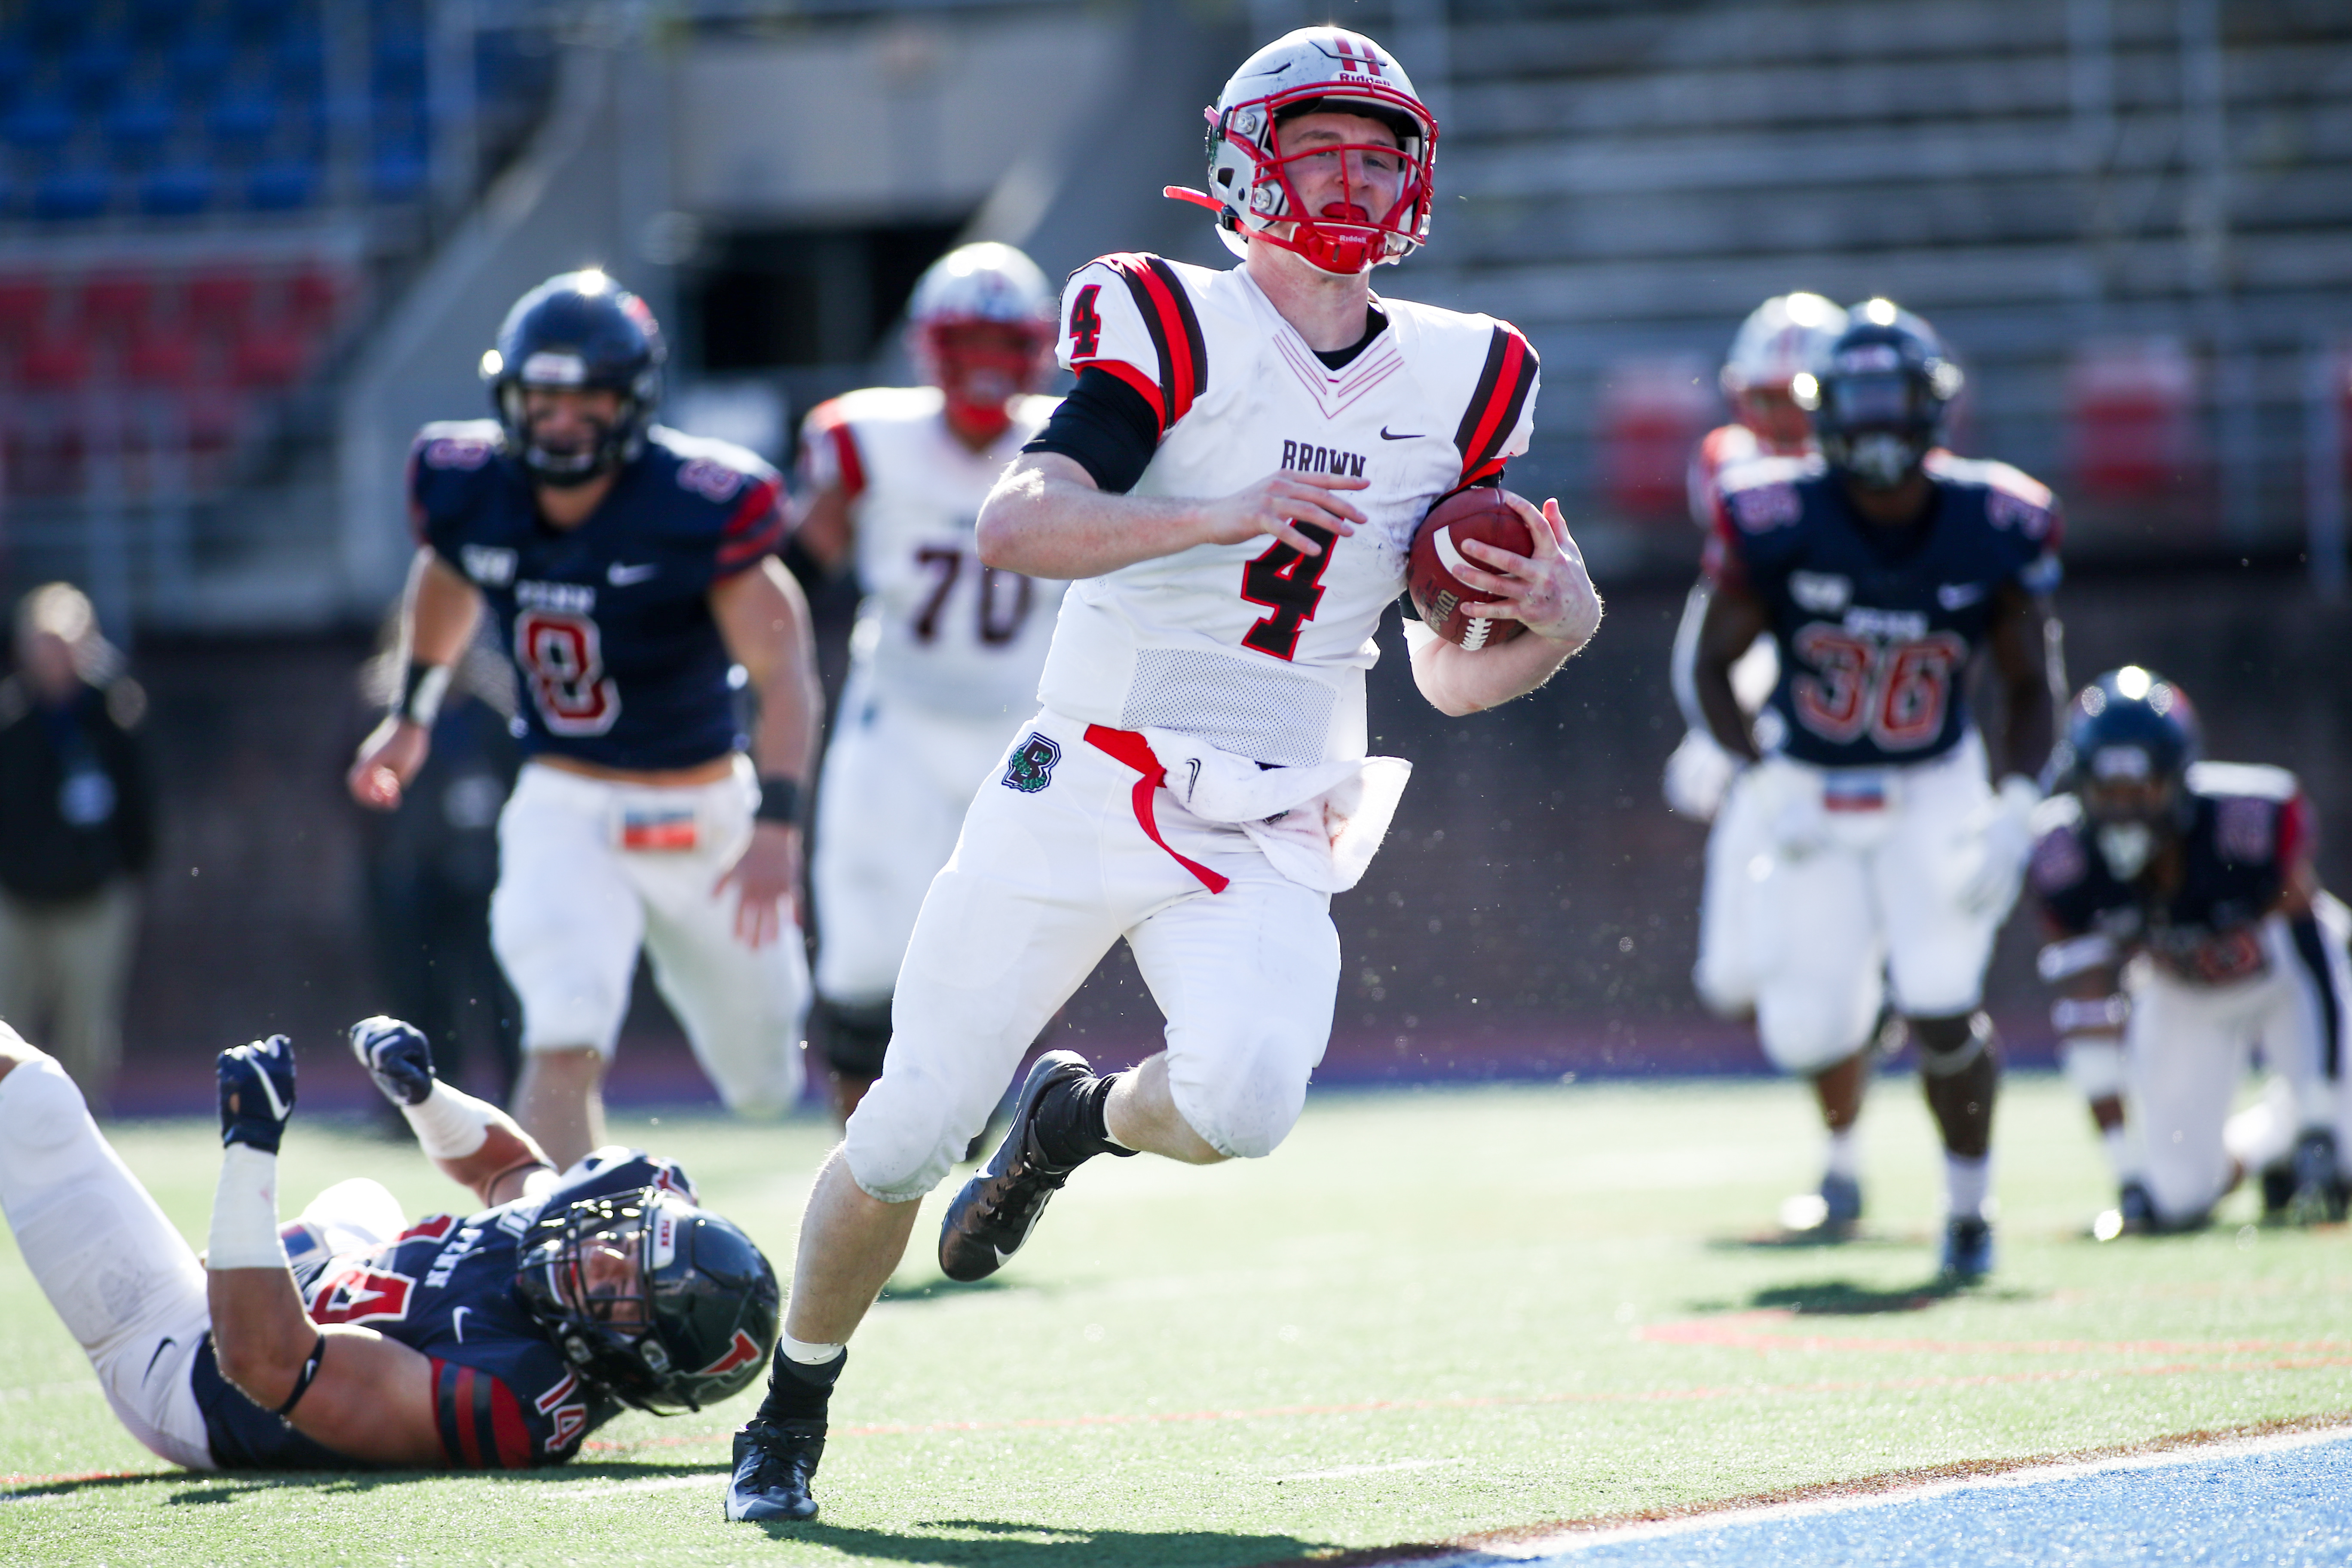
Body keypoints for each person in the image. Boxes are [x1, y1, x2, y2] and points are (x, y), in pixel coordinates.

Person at [724, 26, 1602, 1524]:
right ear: (1242, 163)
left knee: (1248, 1098)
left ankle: (1070, 1121)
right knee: (910, 1126)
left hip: (1273, 794)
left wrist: (1559, 634)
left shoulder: (1471, 373)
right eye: (1317, 143)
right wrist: (1205, 517)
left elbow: (1450, 679)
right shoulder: (1170, 318)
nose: (1353, 173)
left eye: (1378, 149)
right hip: (1089, 766)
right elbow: (1019, 521)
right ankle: (792, 1399)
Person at [347, 271, 824, 1171]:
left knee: (763, 1077)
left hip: (705, 809)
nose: (560, 422)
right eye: (543, 400)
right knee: (562, 1030)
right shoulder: (473, 488)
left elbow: (785, 671)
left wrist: (778, 825)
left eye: (586, 401)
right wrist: (411, 712)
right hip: (566, 796)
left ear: (632, 403)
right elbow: (449, 572)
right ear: (510, 398)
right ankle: (556, 1256)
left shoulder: (697, 503)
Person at [1690, 299, 2064, 1277]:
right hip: (1811, 784)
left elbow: (2030, 687)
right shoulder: (1772, 513)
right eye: (1853, 403)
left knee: (1941, 997)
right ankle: (1860, 1035)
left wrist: (2017, 809)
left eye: (1889, 401)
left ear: (1931, 408)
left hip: (1933, 782)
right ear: (1821, 412)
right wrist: (1760, 778)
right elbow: (1705, 665)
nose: (1873, 426)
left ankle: (1969, 1214)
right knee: (1806, 1027)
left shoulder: (1995, 518)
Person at [0, 1014, 779, 1469]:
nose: (602, 1253)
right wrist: (426, 1094)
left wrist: (250, 1147)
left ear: (624, 1360)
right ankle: (244, 1261)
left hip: (190, 1361)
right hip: (327, 1276)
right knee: (367, 1201)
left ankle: (218, 1268)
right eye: (630, 1239)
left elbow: (262, 1360)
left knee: (31, 1094)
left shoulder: (512, 1394)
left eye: (621, 1288)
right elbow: (511, 1170)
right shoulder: (581, 1237)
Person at [793, 242, 1066, 1121]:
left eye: (1004, 342)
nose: (987, 365)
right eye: (969, 341)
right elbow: (795, 568)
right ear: (931, 347)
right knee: (865, 954)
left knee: (992, 952)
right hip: (898, 721)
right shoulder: (869, 440)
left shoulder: (1074, 443)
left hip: (1019, 731)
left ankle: (963, 1126)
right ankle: (862, 1160)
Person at [2029, 667, 2351, 1234]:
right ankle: (2269, 1143)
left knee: (2344, 1158)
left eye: (2142, 789)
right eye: (2108, 792)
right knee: (2175, 1196)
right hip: (2183, 995)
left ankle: (2307, 1117)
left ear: (2179, 779)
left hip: (2284, 980)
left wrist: (2323, 1116)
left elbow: (2312, 953)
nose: (2124, 809)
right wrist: (2126, 1173)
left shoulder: (2245, 824)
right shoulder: (2066, 860)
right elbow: (2086, 1012)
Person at [1663, 295, 1844, 1025]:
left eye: (1796, 400)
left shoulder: (1878, 479)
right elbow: (1737, 613)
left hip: (1858, 706)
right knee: (1733, 981)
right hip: (1771, 701)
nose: (1780, 420)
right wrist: (1714, 724)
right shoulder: (1728, 468)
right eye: (1764, 399)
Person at [0, 582, 156, 1116]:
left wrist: (128, 870)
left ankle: (82, 1132)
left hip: (91, 895)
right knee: (8, 1025)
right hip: (17, 896)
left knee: (86, 1032)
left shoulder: (113, 715)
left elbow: (140, 805)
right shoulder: (11, 720)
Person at [355, 629, 524, 1104]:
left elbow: (518, 781)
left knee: (499, 996)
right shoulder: (384, 714)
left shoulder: (492, 713)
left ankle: (520, 1099)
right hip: (415, 873)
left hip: (484, 874)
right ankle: (423, 1102)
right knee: (422, 995)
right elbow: (356, 792)